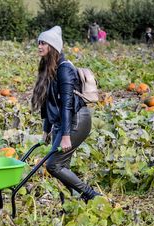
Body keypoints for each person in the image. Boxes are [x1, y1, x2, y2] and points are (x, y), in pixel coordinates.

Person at [32, 26, 101, 202]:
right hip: (61, 123)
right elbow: (47, 103)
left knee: (54, 165)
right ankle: (72, 202)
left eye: (44, 43)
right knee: (63, 167)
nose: (39, 46)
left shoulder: (64, 68)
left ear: (53, 46)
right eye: (39, 42)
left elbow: (67, 103)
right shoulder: (48, 67)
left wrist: (66, 135)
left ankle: (90, 195)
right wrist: (46, 130)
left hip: (77, 121)